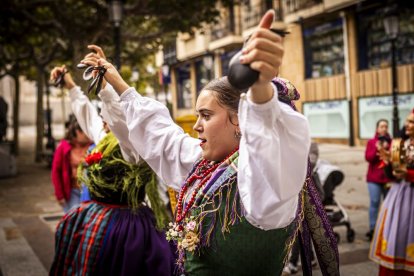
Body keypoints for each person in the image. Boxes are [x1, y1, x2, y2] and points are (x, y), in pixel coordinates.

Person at [81, 10, 339, 275]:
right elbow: (163, 138)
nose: (196, 126)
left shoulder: (267, 178)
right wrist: (114, 81)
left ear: (240, 119)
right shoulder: (205, 164)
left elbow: (270, 155)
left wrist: (260, 93)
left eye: (206, 115)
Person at [49, 61, 176, 275]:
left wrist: (107, 84)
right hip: (101, 215)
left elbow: (118, 121)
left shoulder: (132, 146)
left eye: (107, 117)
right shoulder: (105, 138)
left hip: (126, 225)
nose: (102, 120)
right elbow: (89, 115)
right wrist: (71, 85)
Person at [369, 111, 414, 275]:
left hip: (411, 197)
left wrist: (409, 175)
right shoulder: (401, 143)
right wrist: (388, 162)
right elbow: (393, 175)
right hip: (398, 196)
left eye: (412, 122)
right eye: (407, 121)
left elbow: (405, 173)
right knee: (396, 234)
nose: (407, 125)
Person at [51, 117, 92, 212]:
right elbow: (56, 171)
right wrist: (59, 195)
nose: (88, 135)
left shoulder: (94, 145)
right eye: (85, 132)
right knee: (74, 221)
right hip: (72, 192)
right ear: (77, 132)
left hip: (90, 193)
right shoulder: (63, 147)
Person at [365, 119, 391, 241]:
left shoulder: (392, 143)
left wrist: (387, 150)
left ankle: (387, 228)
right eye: (382, 126)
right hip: (373, 179)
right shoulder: (371, 142)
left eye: (386, 126)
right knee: (375, 202)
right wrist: (377, 149)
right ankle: (373, 228)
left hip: (388, 179)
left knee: (388, 204)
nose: (384, 128)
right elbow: (368, 158)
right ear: (377, 129)